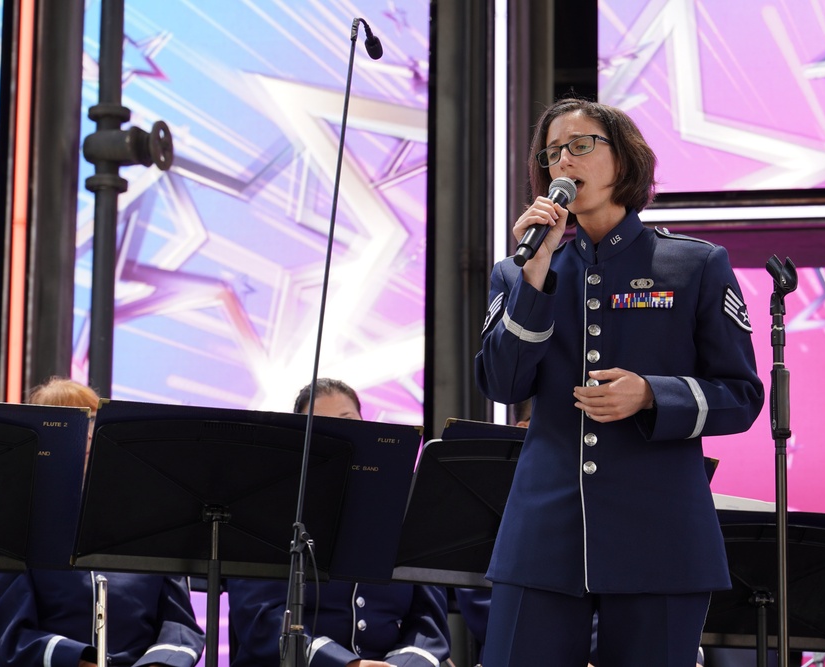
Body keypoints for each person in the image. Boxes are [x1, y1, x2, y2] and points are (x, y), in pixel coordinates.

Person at [474, 96, 765, 666]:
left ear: (624, 160)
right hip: (544, 533)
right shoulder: (518, 269)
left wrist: (654, 394)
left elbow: (744, 396)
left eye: (580, 145)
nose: (564, 162)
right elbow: (503, 384)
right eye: (553, 152)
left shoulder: (693, 264)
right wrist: (533, 277)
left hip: (660, 535)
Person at [0, 377, 206, 667]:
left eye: (93, 421)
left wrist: (159, 663)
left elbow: (180, 626)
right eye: (70, 424)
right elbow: (11, 635)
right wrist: (81, 661)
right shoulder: (15, 527)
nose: (86, 435)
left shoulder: (150, 522)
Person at [227, 378, 451, 667]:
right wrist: (345, 664)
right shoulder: (262, 512)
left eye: (351, 422)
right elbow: (259, 619)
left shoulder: (405, 513)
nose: (345, 438)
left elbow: (427, 623)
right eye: (326, 428)